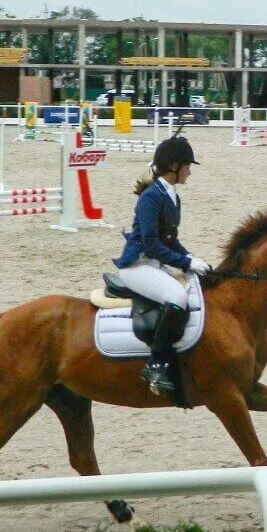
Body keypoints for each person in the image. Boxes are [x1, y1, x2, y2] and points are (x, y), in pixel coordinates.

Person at [113, 132, 210, 396]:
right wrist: (184, 261)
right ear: (174, 167)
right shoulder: (151, 198)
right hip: (138, 265)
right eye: (188, 166)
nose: (190, 172)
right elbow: (152, 244)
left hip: (156, 263)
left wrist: (192, 261)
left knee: (193, 286)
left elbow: (171, 240)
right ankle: (155, 364)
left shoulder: (172, 196)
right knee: (178, 296)